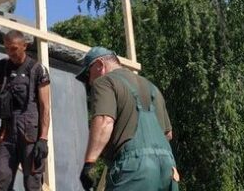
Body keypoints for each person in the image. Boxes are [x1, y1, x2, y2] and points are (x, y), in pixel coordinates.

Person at [76, 47, 178, 191]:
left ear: (100, 65)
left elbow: (105, 121)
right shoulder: (152, 87)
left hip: (135, 167)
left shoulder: (104, 82)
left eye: (88, 73)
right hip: (168, 167)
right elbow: (168, 134)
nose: (89, 81)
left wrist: (89, 164)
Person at [0, 30, 51, 190]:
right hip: (7, 133)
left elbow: (45, 107)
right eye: (7, 48)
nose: (10, 53)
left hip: (30, 134)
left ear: (24, 46)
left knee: (32, 184)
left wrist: (43, 139)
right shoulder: (2, 67)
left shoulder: (37, 70)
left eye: (14, 48)